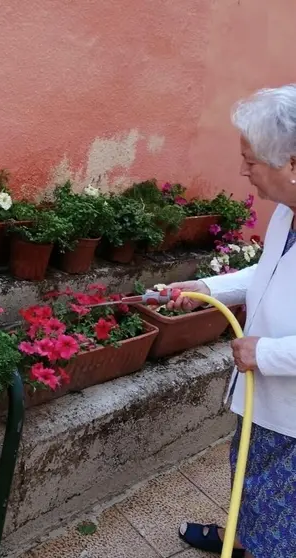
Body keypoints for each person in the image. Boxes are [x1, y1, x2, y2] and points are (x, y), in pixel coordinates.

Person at [169, 85, 296, 558]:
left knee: (282, 516)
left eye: (252, 159)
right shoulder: (288, 212)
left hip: (293, 413)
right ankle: (237, 539)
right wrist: (207, 289)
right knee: (246, 473)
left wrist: (264, 353)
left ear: (293, 165)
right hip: (265, 398)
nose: (244, 170)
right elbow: (267, 271)